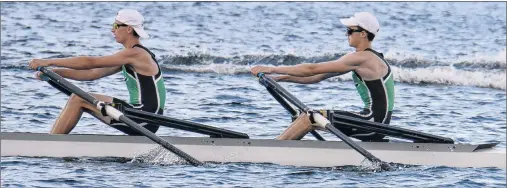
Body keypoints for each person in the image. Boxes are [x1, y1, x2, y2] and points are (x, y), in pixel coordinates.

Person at [251, 12, 394, 141]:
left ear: (363, 33)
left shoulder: (364, 58)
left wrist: (272, 68)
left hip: (373, 123)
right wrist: (279, 79)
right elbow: (316, 77)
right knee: (305, 117)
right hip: (376, 122)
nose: (346, 34)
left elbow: (312, 69)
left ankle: (273, 149)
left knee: (310, 118)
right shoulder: (363, 59)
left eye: (350, 31)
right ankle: (279, 145)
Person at [28, 9, 166, 135]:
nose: (112, 30)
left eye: (116, 26)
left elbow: (90, 62)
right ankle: (54, 140)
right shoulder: (130, 56)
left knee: (78, 99)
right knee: (80, 98)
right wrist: (55, 73)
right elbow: (92, 73)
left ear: (129, 29)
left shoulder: (136, 54)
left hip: (144, 119)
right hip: (139, 116)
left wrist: (48, 62)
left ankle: (52, 143)